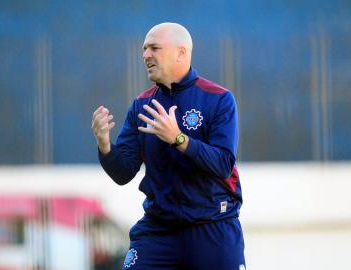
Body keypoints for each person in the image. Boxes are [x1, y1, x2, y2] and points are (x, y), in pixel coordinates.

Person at [92, 22, 245, 270]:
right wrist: (105, 146)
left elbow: (223, 164)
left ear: (181, 52)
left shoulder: (218, 99)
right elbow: (123, 173)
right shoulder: (141, 105)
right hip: (158, 230)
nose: (145, 55)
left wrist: (179, 139)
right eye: (144, 49)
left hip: (212, 226)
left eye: (154, 48)